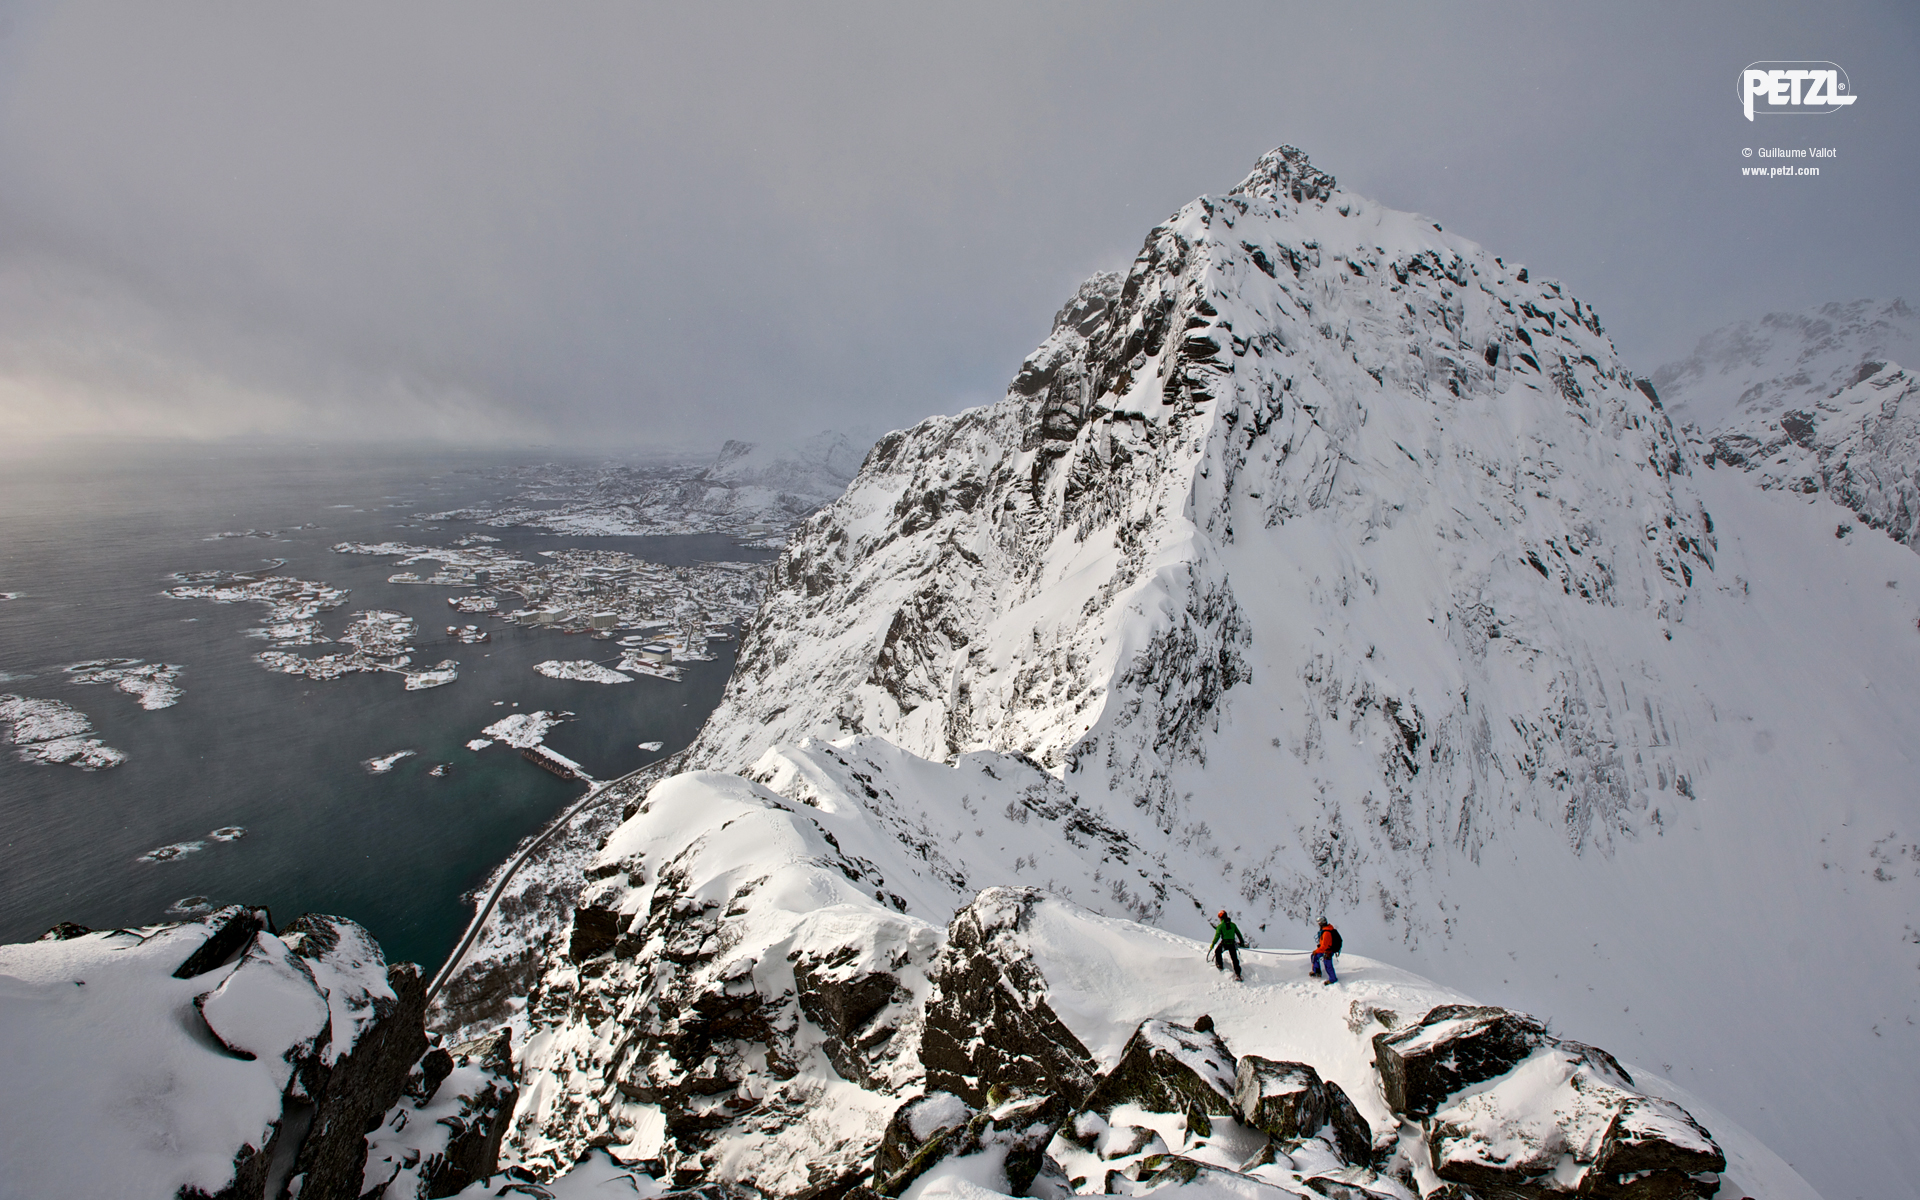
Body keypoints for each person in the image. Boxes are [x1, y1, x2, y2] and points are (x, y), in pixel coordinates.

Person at [1209, 910, 1244, 981]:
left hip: (1224, 944)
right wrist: (1242, 942)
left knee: (1217, 951)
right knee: (1234, 959)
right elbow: (1238, 934)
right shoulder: (1233, 925)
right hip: (1232, 944)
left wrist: (1212, 944)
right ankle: (1238, 974)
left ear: (1221, 917)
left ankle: (1219, 965)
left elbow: (1217, 936)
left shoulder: (1220, 926)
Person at [1309, 919, 1339, 985]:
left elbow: (1324, 947)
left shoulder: (1326, 933)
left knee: (1328, 965)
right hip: (1326, 950)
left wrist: (1316, 950)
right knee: (1315, 956)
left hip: (1328, 951)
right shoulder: (1326, 931)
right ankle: (1316, 971)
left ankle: (1333, 979)